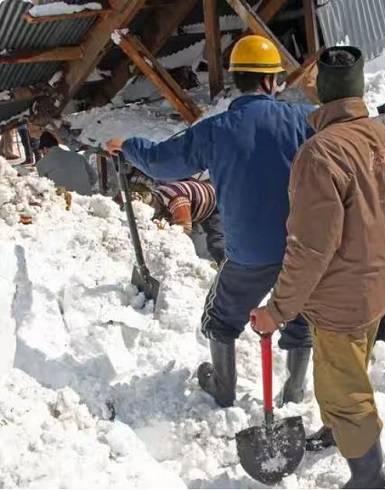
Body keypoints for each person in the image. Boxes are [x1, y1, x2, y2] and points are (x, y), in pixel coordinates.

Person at [104, 35, 316, 408]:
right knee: (300, 316)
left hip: (248, 253)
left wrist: (129, 145)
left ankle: (223, 388)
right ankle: (295, 393)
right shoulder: (301, 120)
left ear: (239, 79)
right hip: (300, 248)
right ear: (269, 81)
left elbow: (162, 163)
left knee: (220, 318)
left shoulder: (217, 130)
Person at [250, 46, 385, 489]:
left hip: (339, 301)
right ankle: (334, 429)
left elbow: (309, 248)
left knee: (346, 393)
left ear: (321, 92)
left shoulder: (320, 154)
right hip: (375, 288)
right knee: (346, 370)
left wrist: (278, 310)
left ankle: (369, 478)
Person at [135, 178, 225, 264]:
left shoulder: (176, 201)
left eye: (152, 212)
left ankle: (227, 268)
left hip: (214, 203)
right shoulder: (158, 197)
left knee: (216, 244)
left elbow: (183, 233)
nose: (153, 216)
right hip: (194, 205)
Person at [36, 131, 98, 195]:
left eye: (42, 152)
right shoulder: (79, 157)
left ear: (45, 148)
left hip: (64, 201)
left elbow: (41, 186)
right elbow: (94, 177)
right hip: (86, 198)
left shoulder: (41, 163)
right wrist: (83, 186)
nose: (43, 155)